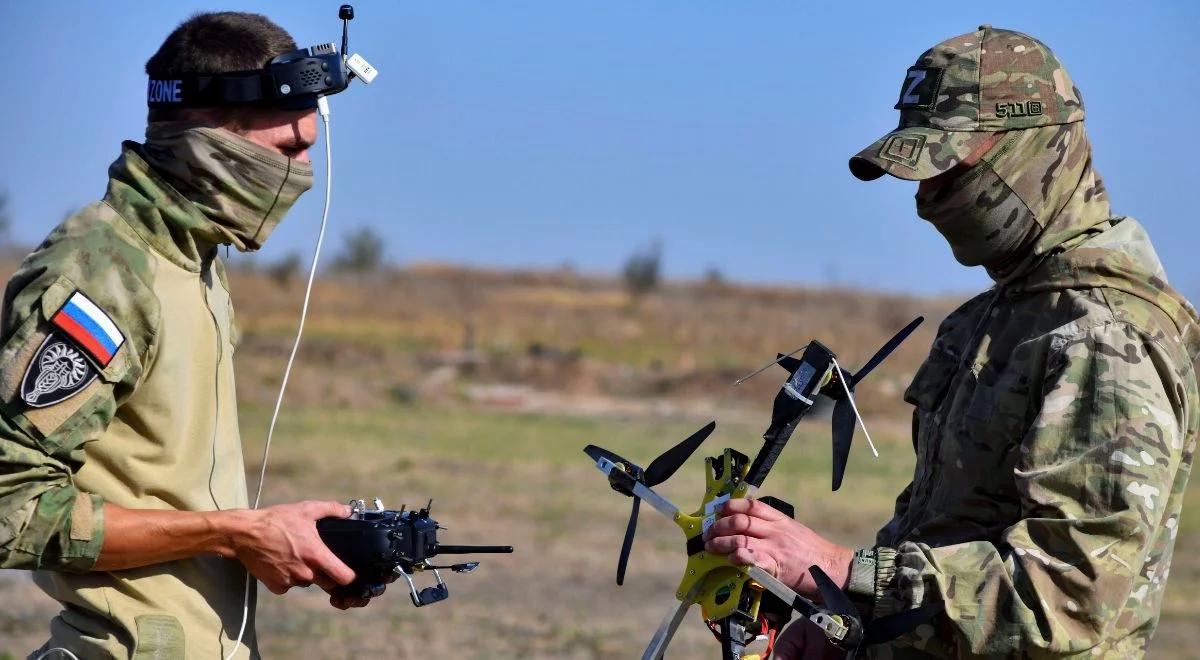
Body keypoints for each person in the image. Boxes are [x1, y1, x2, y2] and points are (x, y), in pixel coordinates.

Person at [705, 25, 1199, 658]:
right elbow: (936, 531)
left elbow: (1066, 603)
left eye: (947, 168)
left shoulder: (1105, 340)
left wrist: (838, 568)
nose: (925, 200)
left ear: (1032, 149)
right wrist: (845, 618)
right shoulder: (984, 324)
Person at [0, 12, 369, 659]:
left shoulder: (195, 263)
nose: (305, 172)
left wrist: (293, 541)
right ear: (209, 138)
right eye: (286, 150)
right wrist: (233, 534)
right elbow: (10, 509)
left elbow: (159, 488)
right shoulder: (102, 273)